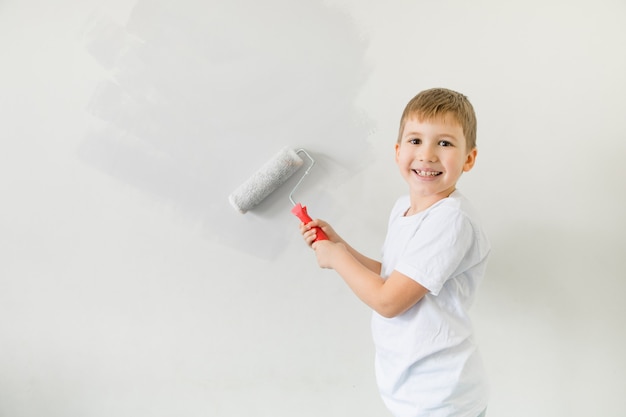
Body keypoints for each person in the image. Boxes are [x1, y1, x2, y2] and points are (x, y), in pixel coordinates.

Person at [299, 88, 490, 417]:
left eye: (444, 143)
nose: (427, 154)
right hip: (412, 390)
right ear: (398, 150)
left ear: (469, 158)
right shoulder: (404, 208)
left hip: (441, 398)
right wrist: (342, 246)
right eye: (416, 141)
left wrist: (337, 258)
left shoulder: (450, 219)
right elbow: (393, 276)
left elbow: (389, 301)